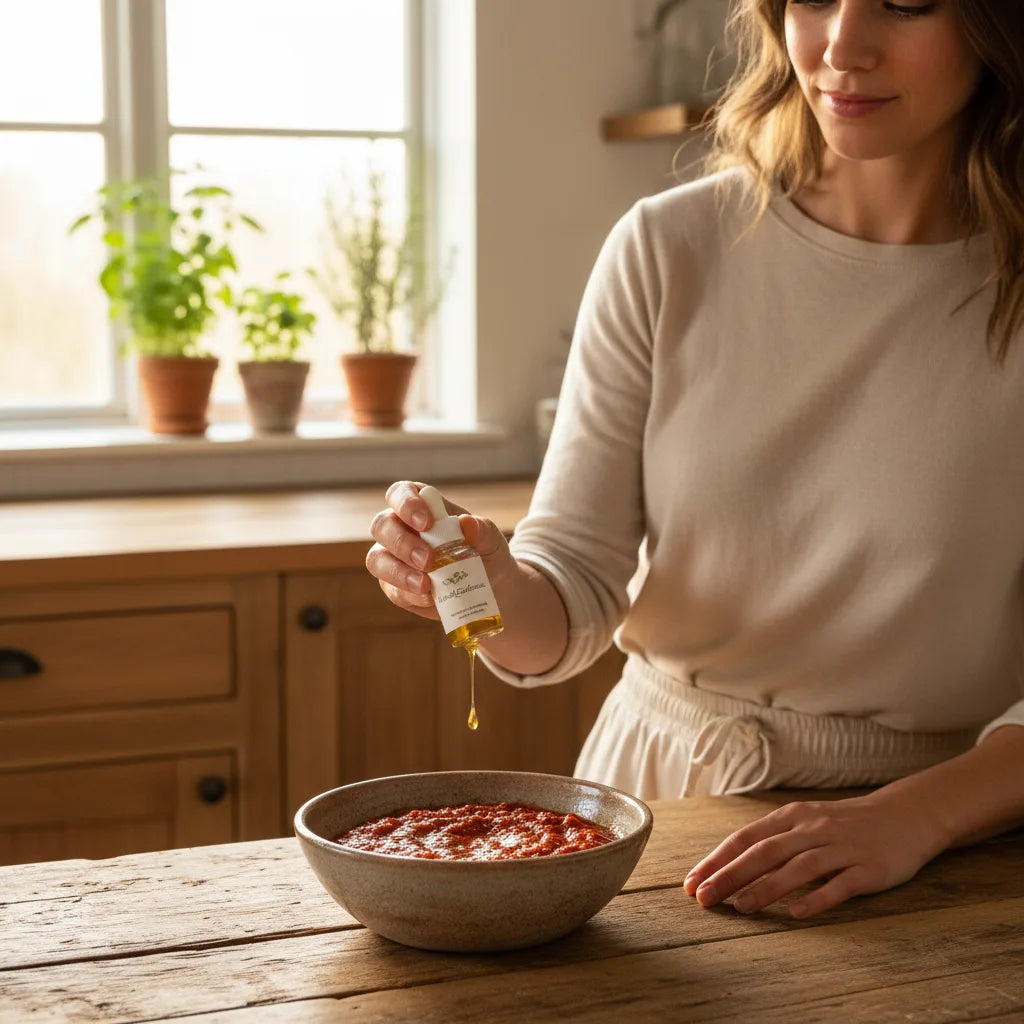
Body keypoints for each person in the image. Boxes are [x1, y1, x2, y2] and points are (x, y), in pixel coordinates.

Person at [366, 0, 1024, 920]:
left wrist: (908, 819)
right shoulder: (668, 246)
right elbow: (574, 595)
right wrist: (486, 578)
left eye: (904, 2)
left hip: (943, 838)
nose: (840, 44)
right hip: (654, 805)